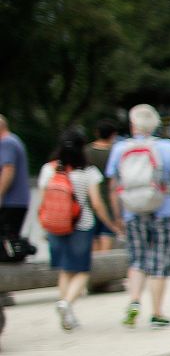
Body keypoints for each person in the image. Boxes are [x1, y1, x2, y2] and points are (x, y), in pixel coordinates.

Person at [107, 104, 170, 327]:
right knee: (160, 261)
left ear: (133, 124)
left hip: (132, 212)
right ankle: (156, 312)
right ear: (155, 124)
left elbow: (113, 185)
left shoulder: (120, 148)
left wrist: (117, 216)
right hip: (162, 210)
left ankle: (135, 300)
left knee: (137, 258)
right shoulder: (167, 148)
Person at [35, 130, 117, 331]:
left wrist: (43, 224)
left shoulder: (49, 169)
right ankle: (67, 304)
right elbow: (97, 204)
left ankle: (67, 311)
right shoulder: (88, 172)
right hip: (82, 225)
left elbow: (42, 201)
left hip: (55, 225)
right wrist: (111, 224)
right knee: (81, 270)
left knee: (65, 269)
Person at [0, 114, 32, 263]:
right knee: (11, 240)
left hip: (10, 201)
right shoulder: (14, 141)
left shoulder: (7, 143)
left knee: (6, 242)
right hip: (18, 201)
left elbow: (8, 170)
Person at [87, 119, 122, 252]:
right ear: (113, 135)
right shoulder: (114, 153)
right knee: (107, 236)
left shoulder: (86, 151)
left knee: (94, 239)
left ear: (97, 133)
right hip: (109, 202)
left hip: (89, 202)